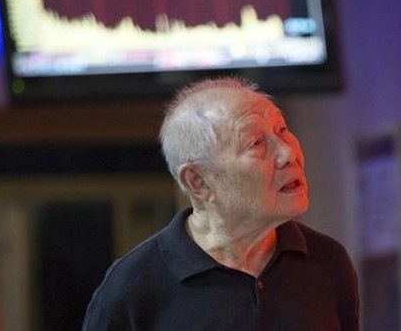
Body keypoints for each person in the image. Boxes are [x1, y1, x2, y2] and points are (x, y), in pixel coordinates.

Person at [82, 77, 359, 330]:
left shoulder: (328, 261)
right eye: (256, 143)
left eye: (282, 129)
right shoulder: (133, 287)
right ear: (198, 181)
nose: (288, 153)